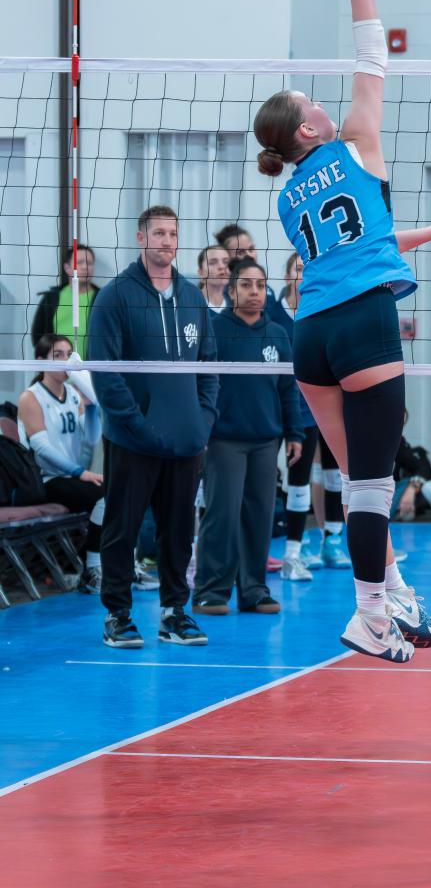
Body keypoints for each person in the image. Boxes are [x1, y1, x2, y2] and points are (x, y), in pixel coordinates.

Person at [253, 0, 431, 661]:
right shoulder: (354, 142)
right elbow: (373, 52)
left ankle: (393, 593)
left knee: (357, 473)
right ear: (309, 125)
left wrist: (427, 233)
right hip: (364, 322)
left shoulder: (288, 197)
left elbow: (357, 243)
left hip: (311, 334)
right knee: (373, 483)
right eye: (310, 100)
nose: (323, 101)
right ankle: (370, 614)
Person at [88, 204, 218, 649]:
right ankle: (118, 615)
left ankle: (174, 613)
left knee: (178, 532)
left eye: (173, 234)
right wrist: (136, 426)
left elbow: (210, 365)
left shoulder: (192, 298)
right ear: (141, 238)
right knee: (121, 529)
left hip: (186, 441)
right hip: (132, 441)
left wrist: (204, 420)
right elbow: (105, 372)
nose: (167, 241)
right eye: (159, 233)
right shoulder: (115, 296)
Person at [192, 259, 303, 614]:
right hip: (224, 439)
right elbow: (200, 382)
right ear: (231, 290)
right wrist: (201, 427)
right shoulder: (215, 330)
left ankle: (254, 590)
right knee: (222, 516)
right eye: (245, 285)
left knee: (259, 517)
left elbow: (288, 388)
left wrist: (295, 432)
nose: (254, 292)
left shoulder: (278, 334)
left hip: (266, 441)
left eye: (259, 285)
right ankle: (210, 591)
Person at [278, 251, 350, 576]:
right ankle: (294, 548)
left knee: (335, 474)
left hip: (328, 403)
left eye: (307, 268)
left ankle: (332, 539)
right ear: (286, 276)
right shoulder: (275, 316)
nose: (303, 274)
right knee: (299, 478)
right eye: (297, 269)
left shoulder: (326, 310)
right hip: (295, 408)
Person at [17, 333, 104, 594]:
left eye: (68, 355)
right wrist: (81, 472)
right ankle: (91, 570)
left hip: (70, 478)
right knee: (104, 497)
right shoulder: (30, 397)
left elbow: (92, 437)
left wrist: (91, 407)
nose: (66, 361)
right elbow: (42, 449)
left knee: (119, 492)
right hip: (45, 480)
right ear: (40, 361)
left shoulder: (74, 395)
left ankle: (121, 565)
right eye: (58, 355)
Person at [31, 245, 99, 357]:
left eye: (89, 263)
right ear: (67, 268)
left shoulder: (101, 299)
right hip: (57, 365)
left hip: (91, 366)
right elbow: (38, 335)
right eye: (79, 262)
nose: (85, 267)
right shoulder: (51, 298)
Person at [197, 245, 231, 313]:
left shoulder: (238, 303)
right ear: (201, 273)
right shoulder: (189, 303)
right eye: (212, 263)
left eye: (226, 262)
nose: (221, 267)